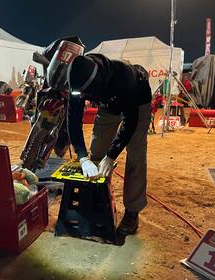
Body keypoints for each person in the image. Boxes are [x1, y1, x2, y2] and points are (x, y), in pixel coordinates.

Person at [66, 53, 152, 235]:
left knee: (136, 155)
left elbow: (130, 122)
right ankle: (99, 200)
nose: (83, 99)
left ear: (97, 88)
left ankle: (132, 211)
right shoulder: (79, 76)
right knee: (96, 151)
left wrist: (111, 156)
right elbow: (73, 121)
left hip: (137, 102)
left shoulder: (124, 76)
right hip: (108, 106)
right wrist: (83, 158)